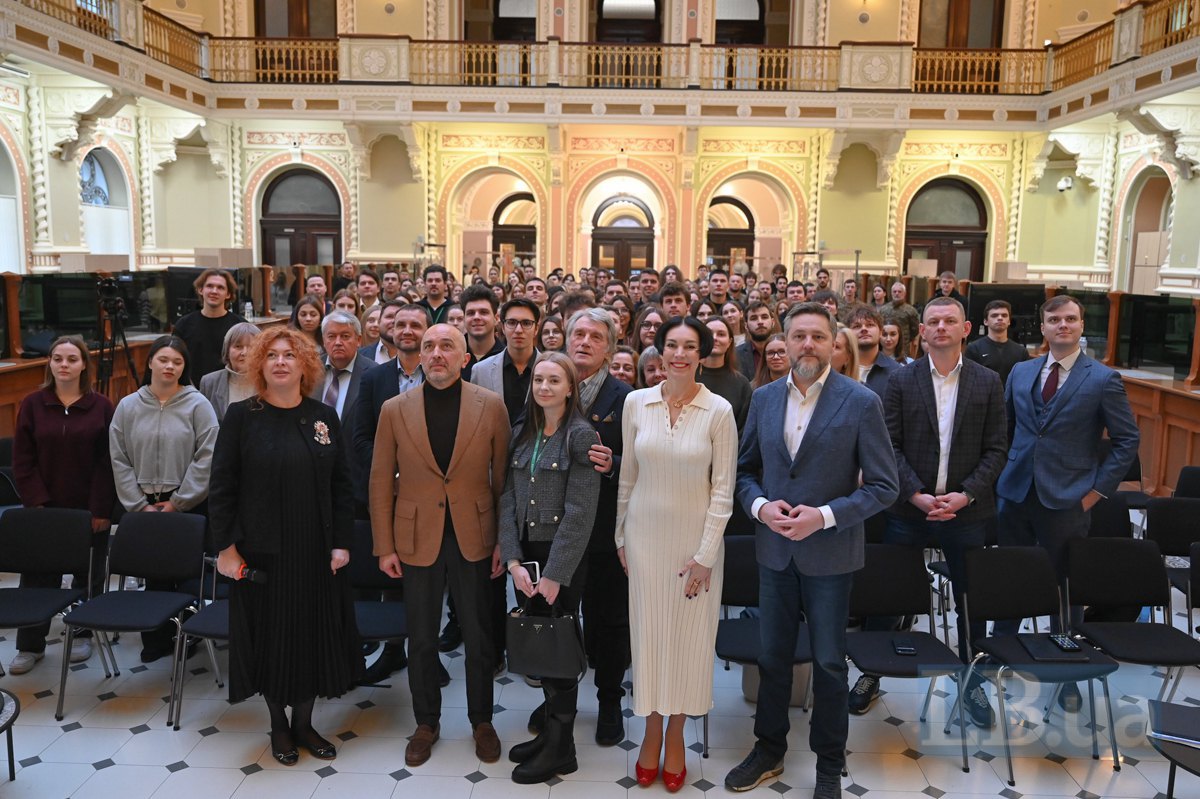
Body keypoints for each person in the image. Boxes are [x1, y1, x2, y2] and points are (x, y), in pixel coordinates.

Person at [727, 302, 898, 798]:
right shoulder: (763, 399)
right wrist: (761, 507)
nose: (808, 345)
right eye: (799, 335)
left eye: (818, 337)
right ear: (783, 341)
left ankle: (828, 763)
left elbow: (884, 486)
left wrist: (821, 516)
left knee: (828, 663)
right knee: (772, 657)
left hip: (831, 553)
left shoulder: (861, 401)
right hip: (774, 550)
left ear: (833, 344)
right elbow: (744, 471)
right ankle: (769, 750)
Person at [851, 297, 1008, 729]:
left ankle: (972, 682)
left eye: (949, 321)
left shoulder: (988, 381)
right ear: (921, 331)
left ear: (966, 329)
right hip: (909, 509)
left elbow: (997, 448)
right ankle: (871, 673)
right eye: (933, 321)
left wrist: (966, 495)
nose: (941, 327)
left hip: (966, 513)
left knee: (971, 602)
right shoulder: (901, 380)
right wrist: (916, 493)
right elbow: (889, 445)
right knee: (889, 595)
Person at [210, 327, 360, 767]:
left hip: (315, 551)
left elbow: (342, 485)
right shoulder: (242, 416)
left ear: (305, 365)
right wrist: (226, 548)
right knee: (273, 639)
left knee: (312, 637)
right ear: (260, 364)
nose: (280, 362)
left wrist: (341, 543)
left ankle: (305, 723)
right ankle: (279, 725)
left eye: (290, 355)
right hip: (261, 554)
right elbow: (221, 487)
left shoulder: (323, 417)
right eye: (272, 355)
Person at [369, 324, 510, 768]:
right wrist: (384, 546)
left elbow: (503, 480)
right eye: (429, 346)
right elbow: (379, 480)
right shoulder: (395, 409)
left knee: (479, 636)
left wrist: (505, 542)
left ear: (464, 358)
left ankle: (482, 721)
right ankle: (426, 723)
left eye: (447, 346)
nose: (436, 354)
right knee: (422, 637)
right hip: (416, 537)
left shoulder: (491, 406)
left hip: (475, 536)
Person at [992, 294, 1139, 713]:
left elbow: (1127, 440)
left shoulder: (1103, 379)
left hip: (1069, 498)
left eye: (1070, 319)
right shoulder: (1021, 371)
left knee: (1063, 588)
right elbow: (1005, 429)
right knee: (1010, 576)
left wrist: (1095, 493)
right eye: (1054, 319)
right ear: (1043, 327)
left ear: (1081, 326)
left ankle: (1067, 669)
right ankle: (999, 653)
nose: (1062, 325)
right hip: (1015, 492)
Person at [617, 316, 737, 793]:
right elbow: (628, 475)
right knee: (648, 640)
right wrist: (620, 536)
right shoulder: (636, 402)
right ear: (659, 351)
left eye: (690, 346)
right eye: (672, 345)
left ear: (702, 354)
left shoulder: (719, 410)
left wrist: (706, 555)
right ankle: (650, 731)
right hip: (644, 540)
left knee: (688, 643)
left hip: (696, 545)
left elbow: (723, 490)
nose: (680, 354)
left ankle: (676, 735)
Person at [499, 352, 602, 783]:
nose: (543, 387)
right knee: (540, 645)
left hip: (561, 557)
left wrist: (556, 574)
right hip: (526, 555)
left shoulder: (580, 435)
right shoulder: (524, 431)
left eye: (554, 380)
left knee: (558, 647)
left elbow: (580, 511)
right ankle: (550, 736)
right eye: (538, 379)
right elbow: (507, 497)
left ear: (569, 387)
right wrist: (512, 561)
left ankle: (562, 748)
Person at [9, 336, 116, 674]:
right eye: (58, 358)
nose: (64, 365)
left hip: (88, 509)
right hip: (45, 510)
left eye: (72, 359)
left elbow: (108, 463)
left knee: (88, 576)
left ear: (84, 364)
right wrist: (37, 503)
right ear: (50, 364)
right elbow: (22, 461)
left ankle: (83, 632)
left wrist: (101, 509)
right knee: (37, 579)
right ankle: (30, 645)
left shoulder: (102, 406)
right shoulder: (32, 404)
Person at [109, 335, 219, 663]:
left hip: (187, 503)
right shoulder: (128, 406)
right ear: (150, 362)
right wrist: (138, 505)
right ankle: (155, 638)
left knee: (185, 575)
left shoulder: (198, 404)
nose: (170, 366)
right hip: (142, 504)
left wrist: (178, 502)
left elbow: (207, 456)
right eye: (163, 360)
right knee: (154, 574)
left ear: (184, 367)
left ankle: (187, 635)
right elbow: (119, 457)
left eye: (177, 362)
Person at [172, 268, 246, 380]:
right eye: (210, 286)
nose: (214, 291)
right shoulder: (183, 325)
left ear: (228, 294)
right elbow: (174, 360)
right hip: (192, 388)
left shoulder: (239, 325)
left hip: (230, 387)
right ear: (200, 290)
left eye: (220, 287)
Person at [199, 322, 262, 422]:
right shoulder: (209, 382)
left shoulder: (269, 382)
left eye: (251, 347)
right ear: (227, 351)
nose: (244, 352)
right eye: (238, 346)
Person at [699, 317, 752, 432]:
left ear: (730, 342)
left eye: (721, 334)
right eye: (709, 334)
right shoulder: (688, 377)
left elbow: (744, 429)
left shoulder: (741, 384)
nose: (714, 338)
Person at [965, 299, 1030, 387]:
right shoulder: (973, 349)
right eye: (994, 315)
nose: (1000, 318)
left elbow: (1025, 382)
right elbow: (969, 382)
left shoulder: (1021, 352)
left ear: (1009, 321)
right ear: (985, 321)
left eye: (1004, 315)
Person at [845, 306, 900, 398]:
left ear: (881, 332)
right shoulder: (839, 368)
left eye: (870, 325)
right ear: (848, 334)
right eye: (857, 326)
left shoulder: (896, 372)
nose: (864, 329)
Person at [460, 284, 504, 374]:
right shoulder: (453, 355)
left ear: (496, 318)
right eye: (471, 313)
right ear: (464, 319)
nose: (476, 317)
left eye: (483, 312)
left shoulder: (506, 357)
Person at [736, 301, 776, 382]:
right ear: (746, 326)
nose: (760, 322)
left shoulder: (787, 350)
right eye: (754, 318)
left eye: (764, 317)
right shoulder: (736, 355)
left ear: (773, 322)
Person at [882, 282, 920, 359]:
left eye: (899, 291)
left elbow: (915, 329)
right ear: (891, 293)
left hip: (904, 347)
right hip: (886, 344)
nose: (897, 294)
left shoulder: (911, 310)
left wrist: (904, 338)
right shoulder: (884, 309)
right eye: (894, 291)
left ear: (904, 293)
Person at [360, 300, 402, 364]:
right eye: (389, 316)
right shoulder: (359, 355)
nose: (393, 321)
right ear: (380, 322)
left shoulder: (417, 355)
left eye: (398, 317)